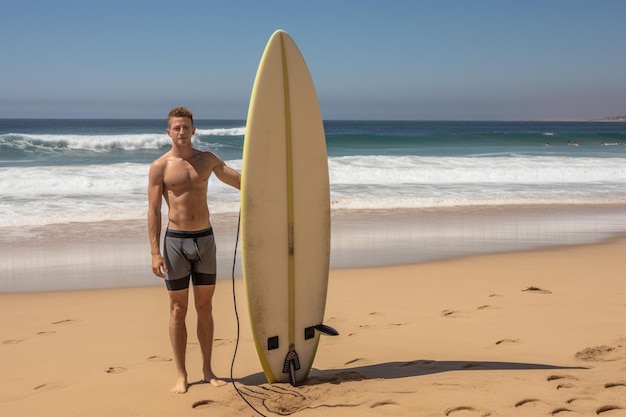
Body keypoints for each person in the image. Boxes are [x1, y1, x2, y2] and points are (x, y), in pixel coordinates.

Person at [147, 106, 241, 394]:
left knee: (205, 307)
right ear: (168, 132)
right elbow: (153, 211)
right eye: (176, 127)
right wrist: (154, 252)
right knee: (178, 309)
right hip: (174, 242)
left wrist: (273, 182)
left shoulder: (207, 160)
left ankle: (208, 369)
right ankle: (181, 375)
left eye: (186, 127)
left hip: (205, 240)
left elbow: (241, 182)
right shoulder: (160, 167)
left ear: (193, 130)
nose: (181, 132)